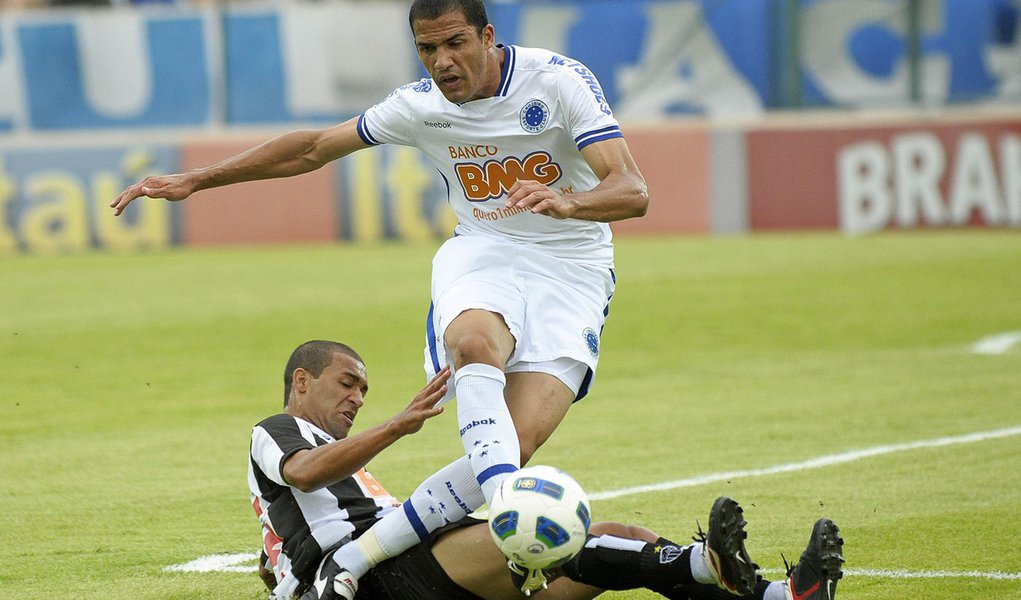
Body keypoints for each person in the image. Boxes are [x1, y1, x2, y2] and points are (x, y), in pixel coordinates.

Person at [117, 0, 652, 595]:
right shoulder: (419, 105)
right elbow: (312, 148)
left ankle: (358, 557)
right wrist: (196, 179)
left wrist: (569, 201)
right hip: (486, 249)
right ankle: (499, 515)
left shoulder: (557, 82)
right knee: (475, 344)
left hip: (573, 268)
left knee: (516, 442)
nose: (442, 62)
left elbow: (632, 190)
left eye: (454, 43)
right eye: (427, 49)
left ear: (487, 36)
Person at [250, 340, 846, 600]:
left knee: (621, 536)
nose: (357, 398)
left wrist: (275, 561)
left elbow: (288, 530)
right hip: (377, 581)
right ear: (302, 381)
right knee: (536, 528)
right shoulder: (277, 431)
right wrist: (398, 426)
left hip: (408, 565)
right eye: (347, 384)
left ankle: (780, 596)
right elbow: (303, 474)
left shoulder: (341, 462)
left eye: (363, 389)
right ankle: (703, 562)